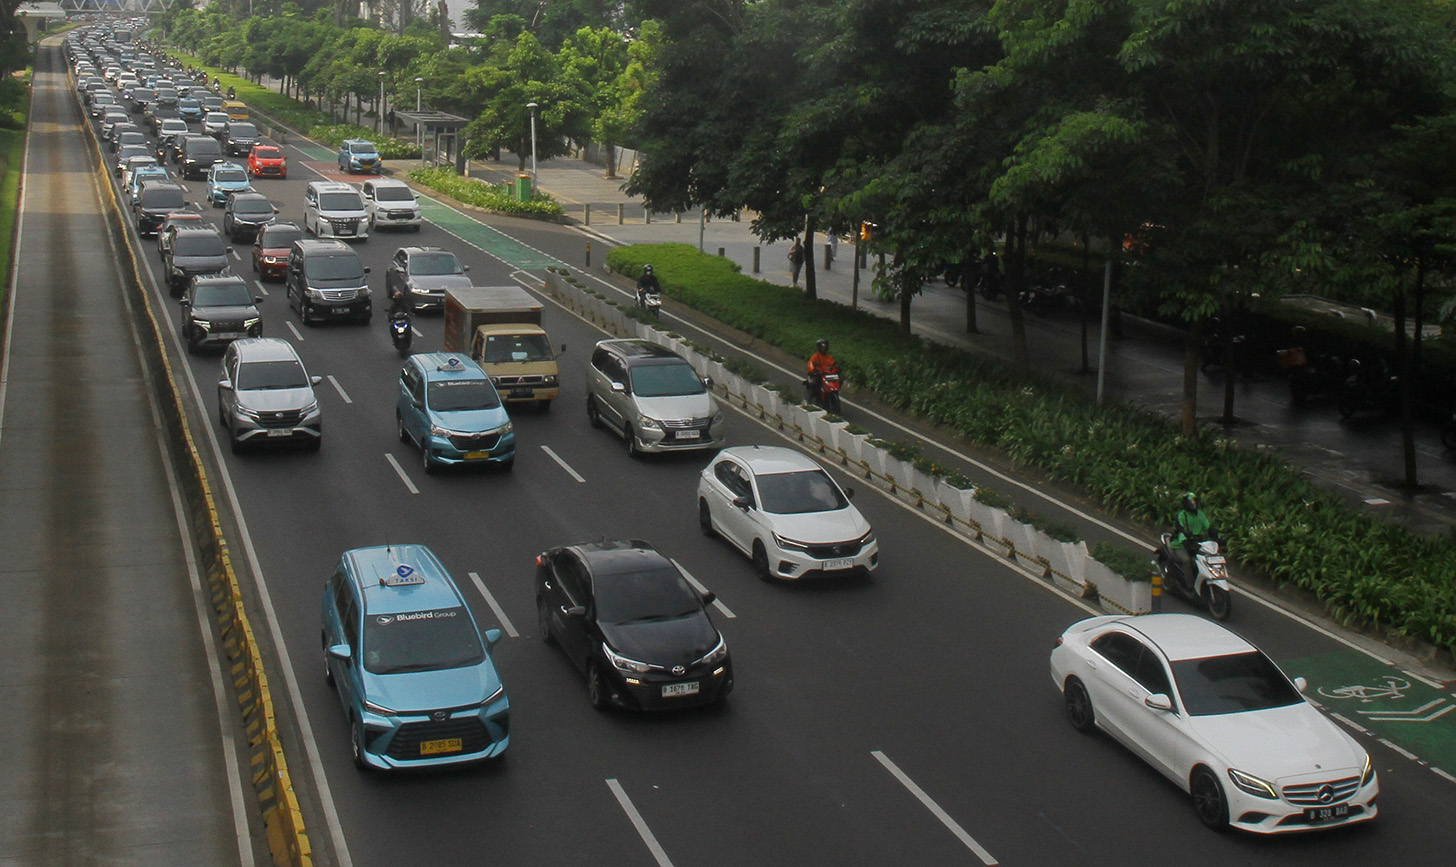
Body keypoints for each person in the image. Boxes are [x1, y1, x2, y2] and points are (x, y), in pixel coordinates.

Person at [1170, 491, 1213, 583]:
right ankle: (1190, 585)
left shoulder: (1200, 515)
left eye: (1194, 502)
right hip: (1181, 545)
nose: (1193, 504)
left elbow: (1208, 527)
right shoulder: (1182, 516)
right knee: (1187, 561)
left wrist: (1218, 537)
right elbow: (1180, 531)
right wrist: (1185, 541)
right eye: (1191, 503)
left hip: (1197, 544)